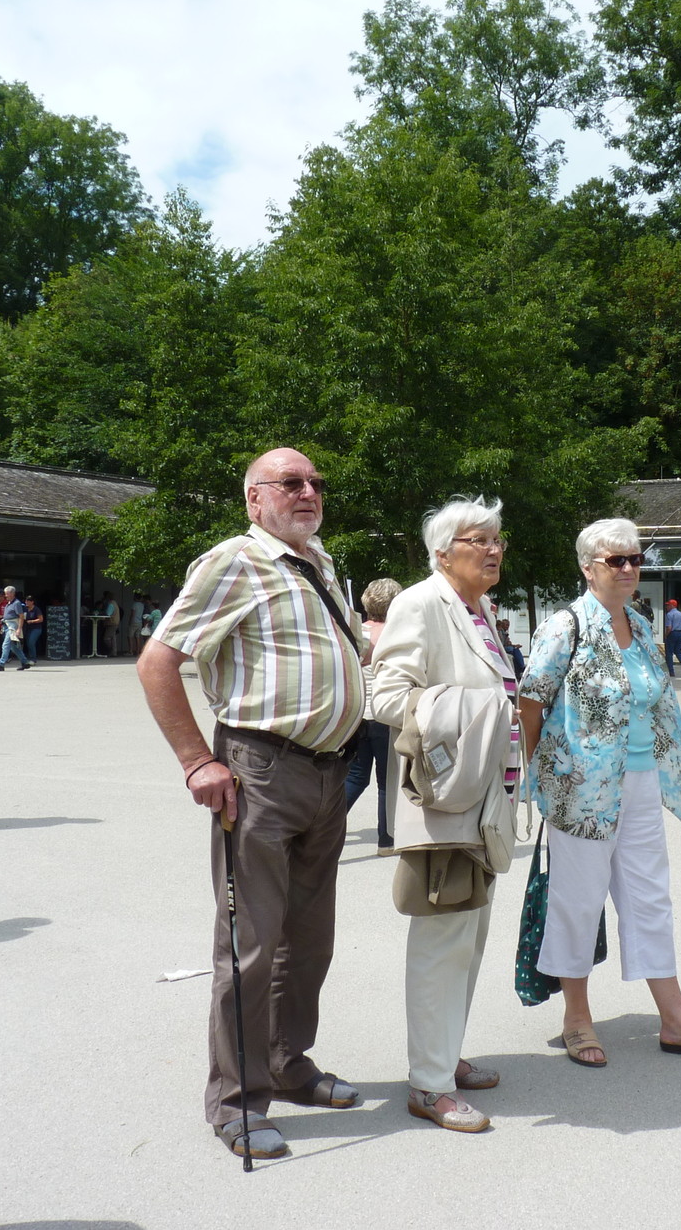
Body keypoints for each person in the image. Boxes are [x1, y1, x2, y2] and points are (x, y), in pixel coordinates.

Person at [136, 447, 366, 1161]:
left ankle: (289, 1062)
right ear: (253, 498)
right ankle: (236, 1098)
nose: (308, 491)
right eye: (291, 482)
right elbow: (158, 660)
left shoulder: (319, 560)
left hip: (328, 771)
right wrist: (195, 759)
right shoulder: (234, 560)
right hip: (262, 767)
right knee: (251, 944)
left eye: (316, 482)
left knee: (310, 937)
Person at [520, 518, 681, 1074]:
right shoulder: (563, 626)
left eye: (634, 559)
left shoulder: (642, 626)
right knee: (578, 897)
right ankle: (576, 1017)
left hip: (642, 780)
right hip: (582, 787)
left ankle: (675, 1020)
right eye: (615, 561)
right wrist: (540, 776)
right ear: (588, 567)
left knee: (650, 897)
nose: (627, 569)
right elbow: (530, 703)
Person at [371, 500, 518, 1133]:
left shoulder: (476, 607)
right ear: (441, 552)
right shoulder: (421, 603)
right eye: (477, 540)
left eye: (497, 539)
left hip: (483, 800)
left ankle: (445, 1053)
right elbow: (386, 696)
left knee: (471, 934)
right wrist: (479, 711)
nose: (492, 550)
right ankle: (429, 1084)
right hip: (445, 802)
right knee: (442, 940)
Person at [345, 577, 403, 854]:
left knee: (356, 777)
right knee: (387, 780)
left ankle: (322, 826)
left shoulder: (355, 633)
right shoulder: (396, 633)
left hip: (358, 717)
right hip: (385, 715)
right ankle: (387, 838)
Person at [0, 584, 31, 672]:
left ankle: (1, 664)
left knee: (5, 645)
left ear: (12, 594)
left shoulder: (16, 603)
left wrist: (19, 629)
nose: (5, 596)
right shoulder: (9, 603)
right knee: (13, 647)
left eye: (7, 594)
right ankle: (25, 662)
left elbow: (21, 617)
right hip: (7, 625)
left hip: (12, 626)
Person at [663, 598, 681, 677]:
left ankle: (671, 672)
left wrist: (666, 635)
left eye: (668, 605)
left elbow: (669, 628)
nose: (667, 607)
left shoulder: (669, 614)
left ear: (672, 606)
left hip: (672, 634)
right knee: (678, 652)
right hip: (680, 633)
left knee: (669, 653)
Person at [23, 592, 45, 661]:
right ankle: (30, 656)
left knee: (31, 642)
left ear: (32, 602)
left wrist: (32, 621)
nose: (26, 602)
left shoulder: (36, 609)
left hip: (36, 628)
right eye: (26, 601)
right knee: (28, 643)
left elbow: (41, 619)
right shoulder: (25, 609)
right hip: (28, 628)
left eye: (28, 601)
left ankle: (33, 658)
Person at [102, 590, 121, 657]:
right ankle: (114, 652)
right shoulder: (115, 603)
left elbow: (108, 614)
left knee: (106, 638)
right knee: (113, 638)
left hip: (111, 623)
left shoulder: (111, 604)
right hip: (116, 622)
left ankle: (110, 650)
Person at [130, 592, 147, 657]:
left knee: (130, 636)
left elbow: (132, 614)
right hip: (139, 621)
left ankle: (131, 650)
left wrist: (130, 621)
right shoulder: (142, 605)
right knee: (138, 637)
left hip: (134, 621)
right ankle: (138, 650)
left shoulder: (134, 605)